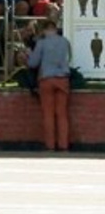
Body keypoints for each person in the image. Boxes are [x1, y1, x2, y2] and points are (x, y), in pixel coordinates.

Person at [27, 19, 72, 151]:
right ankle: (64, 145)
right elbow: (69, 58)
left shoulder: (41, 43)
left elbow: (33, 63)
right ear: (56, 29)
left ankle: (50, 145)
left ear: (44, 30)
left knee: (48, 114)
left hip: (46, 79)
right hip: (63, 79)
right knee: (62, 114)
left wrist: (29, 55)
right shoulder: (65, 42)